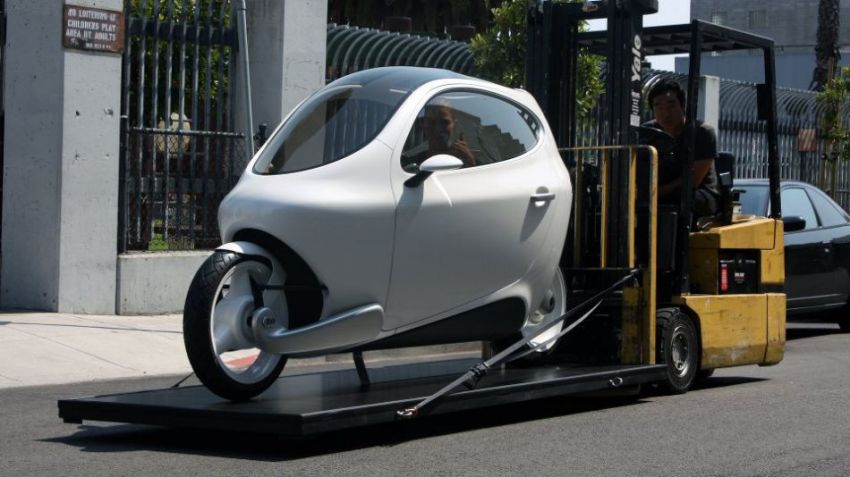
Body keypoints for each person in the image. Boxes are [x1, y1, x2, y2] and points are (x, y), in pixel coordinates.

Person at [643, 78, 720, 219]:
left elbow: (692, 180)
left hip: (699, 194)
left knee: (682, 197)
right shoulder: (647, 133)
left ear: (682, 106)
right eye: (659, 107)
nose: (666, 113)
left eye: (671, 106)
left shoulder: (702, 132)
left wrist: (657, 192)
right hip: (659, 191)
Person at [402, 101, 476, 170]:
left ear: (454, 125)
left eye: (445, 122)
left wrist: (470, 163)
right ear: (423, 125)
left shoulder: (465, 159)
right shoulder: (409, 162)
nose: (438, 129)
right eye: (432, 122)